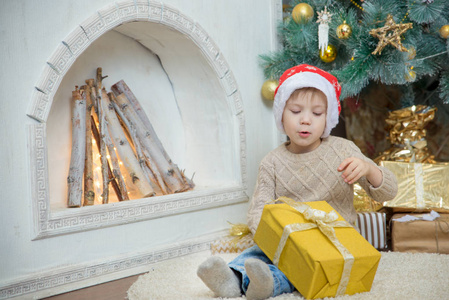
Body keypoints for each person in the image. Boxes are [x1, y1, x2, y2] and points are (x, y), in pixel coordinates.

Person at [197, 64, 398, 299]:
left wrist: (369, 169)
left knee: (304, 270)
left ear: (328, 118)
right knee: (258, 253)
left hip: (334, 241)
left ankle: (268, 283)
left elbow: (388, 191)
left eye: (317, 113)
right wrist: (277, 235)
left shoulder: (343, 150)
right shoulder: (272, 162)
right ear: (281, 114)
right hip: (289, 239)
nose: (305, 120)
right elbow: (257, 212)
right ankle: (232, 278)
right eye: (295, 111)